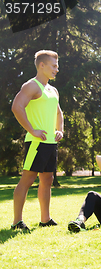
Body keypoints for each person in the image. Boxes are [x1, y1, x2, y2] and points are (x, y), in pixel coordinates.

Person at [11, 50, 64, 232]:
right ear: (42, 65)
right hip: (36, 142)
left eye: (57, 66)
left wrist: (60, 130)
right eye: (54, 66)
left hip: (50, 142)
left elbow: (58, 113)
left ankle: (45, 219)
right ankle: (17, 221)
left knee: (47, 179)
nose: (57, 69)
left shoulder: (52, 90)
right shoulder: (32, 86)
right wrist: (32, 130)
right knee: (27, 179)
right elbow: (17, 107)